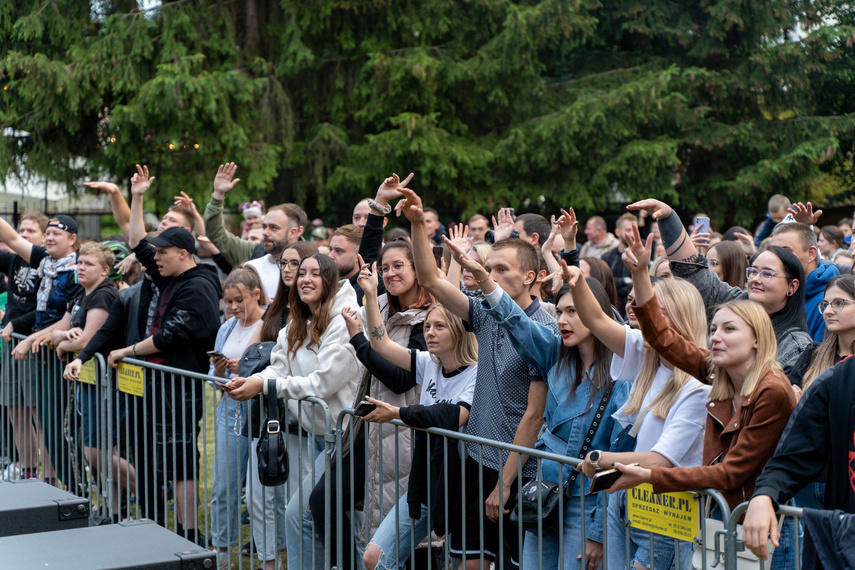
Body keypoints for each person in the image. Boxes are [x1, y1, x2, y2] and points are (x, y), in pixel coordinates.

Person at [396, 184, 559, 568]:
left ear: (532, 276)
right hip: (474, 459)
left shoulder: (544, 327)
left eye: (503, 270)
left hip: (516, 470)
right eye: (491, 269)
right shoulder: (485, 314)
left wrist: (504, 484)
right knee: (470, 562)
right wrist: (419, 224)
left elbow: (534, 416)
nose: (493, 276)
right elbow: (432, 282)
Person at [447, 236, 628, 570]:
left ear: (595, 314)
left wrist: (599, 532)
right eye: (559, 311)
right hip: (544, 493)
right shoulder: (553, 353)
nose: (562, 320)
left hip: (588, 502)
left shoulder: (622, 376)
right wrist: (486, 280)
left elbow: (622, 456)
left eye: (574, 312)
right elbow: (515, 321)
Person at [608, 224, 796, 513]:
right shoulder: (719, 373)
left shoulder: (772, 390)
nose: (716, 336)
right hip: (722, 513)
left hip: (763, 524)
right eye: (713, 329)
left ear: (757, 338)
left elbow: (730, 473)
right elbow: (662, 338)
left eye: (729, 329)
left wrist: (649, 476)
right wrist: (641, 274)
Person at [225, 253, 363, 570]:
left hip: (345, 440)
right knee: (316, 517)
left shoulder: (345, 321)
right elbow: (277, 368)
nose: (305, 279)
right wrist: (255, 379)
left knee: (304, 515)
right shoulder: (295, 325)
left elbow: (323, 383)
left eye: (316, 273)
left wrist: (265, 387)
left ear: (330, 281)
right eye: (302, 273)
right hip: (316, 436)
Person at [109, 164, 223, 544]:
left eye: (163, 252)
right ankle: (155, 524)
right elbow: (136, 242)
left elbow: (174, 334)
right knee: (147, 454)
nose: (154, 259)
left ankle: (189, 533)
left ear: (185, 253)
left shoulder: (200, 284)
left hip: (177, 385)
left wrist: (129, 350)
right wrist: (137, 197)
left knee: (179, 459)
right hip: (151, 382)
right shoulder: (168, 273)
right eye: (155, 254)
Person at [341, 267, 477, 570]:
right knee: (373, 557)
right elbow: (382, 345)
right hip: (426, 481)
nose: (429, 332)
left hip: (463, 489)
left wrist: (398, 414)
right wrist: (370, 296)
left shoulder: (475, 372)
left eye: (439, 326)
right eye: (427, 326)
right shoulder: (429, 363)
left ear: (458, 331)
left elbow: (454, 415)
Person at [629, 199, 812, 376]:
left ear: (792, 286)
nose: (756, 279)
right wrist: (668, 217)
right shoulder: (735, 302)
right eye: (753, 271)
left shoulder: (796, 347)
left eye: (767, 273)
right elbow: (692, 271)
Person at [244, 240, 318, 570]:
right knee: (259, 495)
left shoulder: (317, 311)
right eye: (284, 264)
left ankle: (299, 562)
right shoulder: (276, 309)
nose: (289, 270)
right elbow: (248, 355)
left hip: (302, 420)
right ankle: (268, 562)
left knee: (296, 502)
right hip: (269, 413)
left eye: (296, 265)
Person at [207, 266, 267, 570]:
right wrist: (218, 372)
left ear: (256, 294)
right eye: (227, 301)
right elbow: (210, 375)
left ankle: (267, 555)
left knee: (261, 492)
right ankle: (221, 555)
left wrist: (243, 369)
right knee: (223, 486)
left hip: (262, 411)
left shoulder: (271, 323)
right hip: (229, 409)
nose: (232, 307)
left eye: (238, 300)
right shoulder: (227, 326)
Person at [0, 210, 48, 480]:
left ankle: (49, 479)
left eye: (30, 231)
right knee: (15, 411)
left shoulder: (46, 262)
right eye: (22, 230)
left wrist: (16, 325)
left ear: (43, 237)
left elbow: (48, 308)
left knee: (36, 414)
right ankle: (27, 469)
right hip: (11, 344)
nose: (23, 235)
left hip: (34, 345)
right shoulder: (11, 260)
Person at [203, 162, 307, 277]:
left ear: (295, 232)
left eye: (274, 227)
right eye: (264, 226)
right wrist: (218, 195)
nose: (265, 233)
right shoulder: (252, 253)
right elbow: (216, 233)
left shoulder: (313, 261)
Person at [769, 222, 839, 342]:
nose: (777, 259)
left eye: (786, 251)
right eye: (773, 252)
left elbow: (819, 358)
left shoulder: (828, 303)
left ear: (811, 254)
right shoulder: (775, 293)